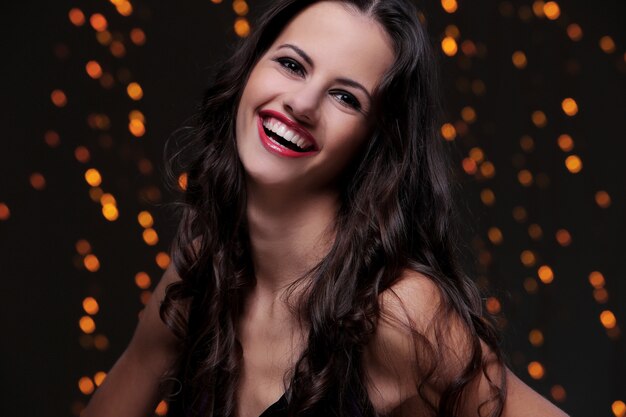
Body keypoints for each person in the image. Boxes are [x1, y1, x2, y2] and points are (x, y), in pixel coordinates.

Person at [83, 1, 571, 416]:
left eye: (345, 97)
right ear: (251, 68)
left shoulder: (398, 311)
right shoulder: (200, 272)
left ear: (375, 143)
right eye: (292, 65)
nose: (302, 103)